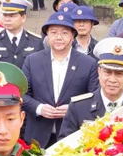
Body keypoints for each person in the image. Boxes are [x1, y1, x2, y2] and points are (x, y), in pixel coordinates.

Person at [21, 11, 99, 148]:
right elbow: (22, 94)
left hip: (73, 135)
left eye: (64, 33)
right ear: (47, 35)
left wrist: (72, 109)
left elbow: (94, 97)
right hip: (37, 136)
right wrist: (39, 108)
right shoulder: (32, 60)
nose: (58, 37)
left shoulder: (89, 63)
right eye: (53, 32)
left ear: (73, 36)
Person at [59, 37, 123, 139]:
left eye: (119, 74)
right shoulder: (78, 107)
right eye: (107, 72)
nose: (112, 79)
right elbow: (64, 146)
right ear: (99, 72)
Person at [0, 0, 43, 69]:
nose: (7, 19)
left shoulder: (36, 42)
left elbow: (41, 71)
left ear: (23, 17)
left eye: (12, 16)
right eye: (5, 15)